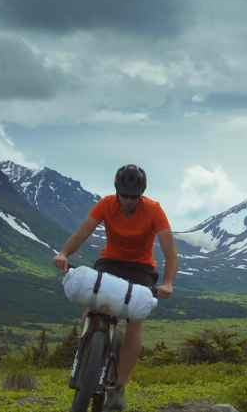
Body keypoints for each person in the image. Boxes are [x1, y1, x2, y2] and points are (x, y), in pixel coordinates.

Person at [54, 164, 178, 411]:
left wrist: (167, 283)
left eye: (134, 197)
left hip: (142, 269)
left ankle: (119, 386)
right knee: (91, 310)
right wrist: (64, 253)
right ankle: (88, 356)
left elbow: (170, 253)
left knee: (135, 319)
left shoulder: (154, 210)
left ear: (142, 193)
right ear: (117, 191)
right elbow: (81, 235)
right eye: (125, 195)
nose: (129, 201)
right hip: (110, 262)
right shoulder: (106, 205)